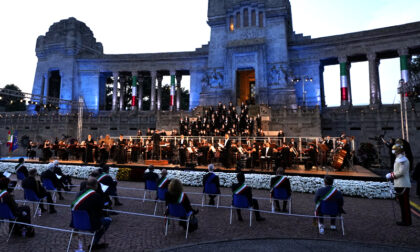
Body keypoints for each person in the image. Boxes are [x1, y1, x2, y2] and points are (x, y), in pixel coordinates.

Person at [71, 178, 111, 250]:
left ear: (86, 185)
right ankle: (94, 243)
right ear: (96, 186)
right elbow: (100, 209)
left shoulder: (78, 194)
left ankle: (93, 242)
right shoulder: (96, 195)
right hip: (90, 224)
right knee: (108, 220)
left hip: (76, 223)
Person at [386, 144, 412, 226]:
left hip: (403, 184)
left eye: (394, 149)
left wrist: (391, 175)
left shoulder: (403, 159)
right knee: (402, 204)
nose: (392, 151)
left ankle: (407, 221)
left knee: (405, 204)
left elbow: (401, 172)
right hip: (399, 184)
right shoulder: (398, 158)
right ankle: (403, 220)